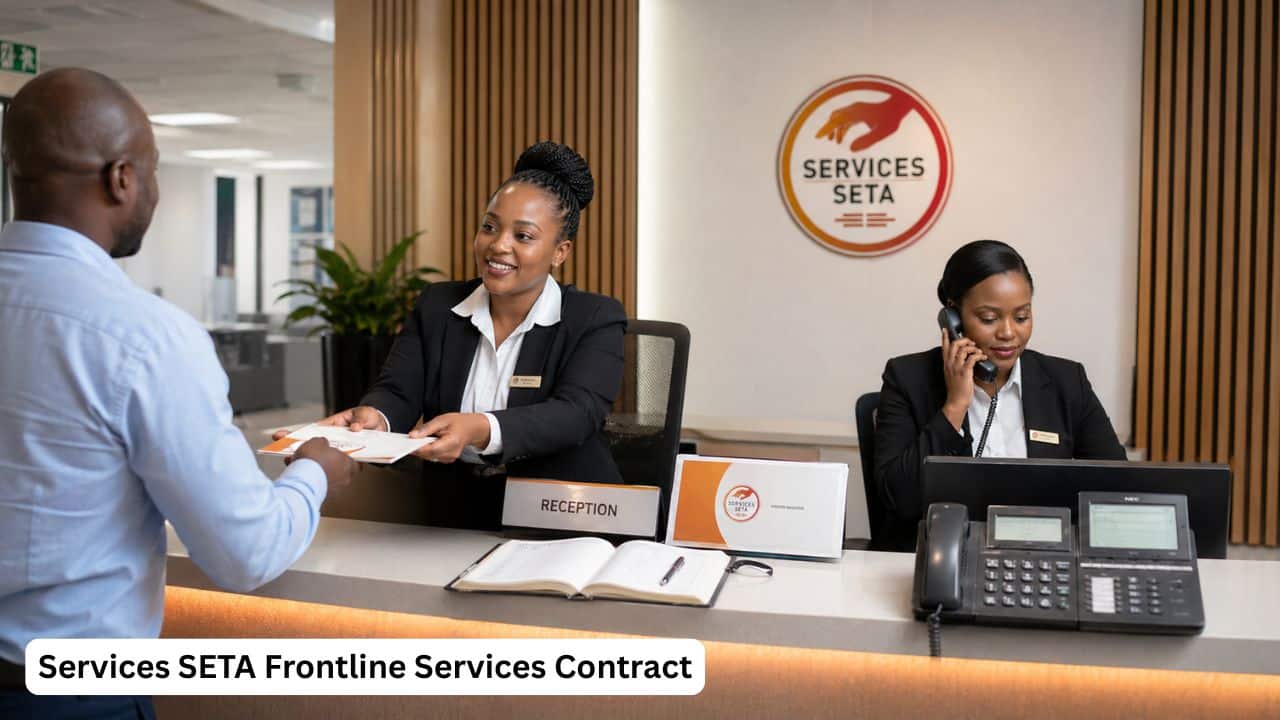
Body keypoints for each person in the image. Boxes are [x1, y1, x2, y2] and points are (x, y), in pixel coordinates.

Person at [0, 68, 356, 717]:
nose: (155, 192)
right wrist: (316, 471)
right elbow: (245, 554)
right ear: (121, 178)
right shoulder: (144, 338)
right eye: (154, 170)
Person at [291, 141, 626, 530]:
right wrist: (376, 418)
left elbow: (576, 414)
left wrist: (480, 427)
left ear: (560, 251)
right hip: (450, 513)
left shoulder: (595, 317)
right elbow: (399, 391)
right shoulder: (438, 305)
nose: (498, 245)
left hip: (563, 516)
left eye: (524, 236)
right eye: (489, 226)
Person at [873, 240, 1125, 551]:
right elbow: (898, 500)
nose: (1008, 332)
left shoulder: (1067, 381)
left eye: (1021, 317)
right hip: (941, 561)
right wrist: (954, 406)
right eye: (989, 318)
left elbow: (1116, 487)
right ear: (953, 319)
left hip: (1040, 557)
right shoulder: (907, 378)